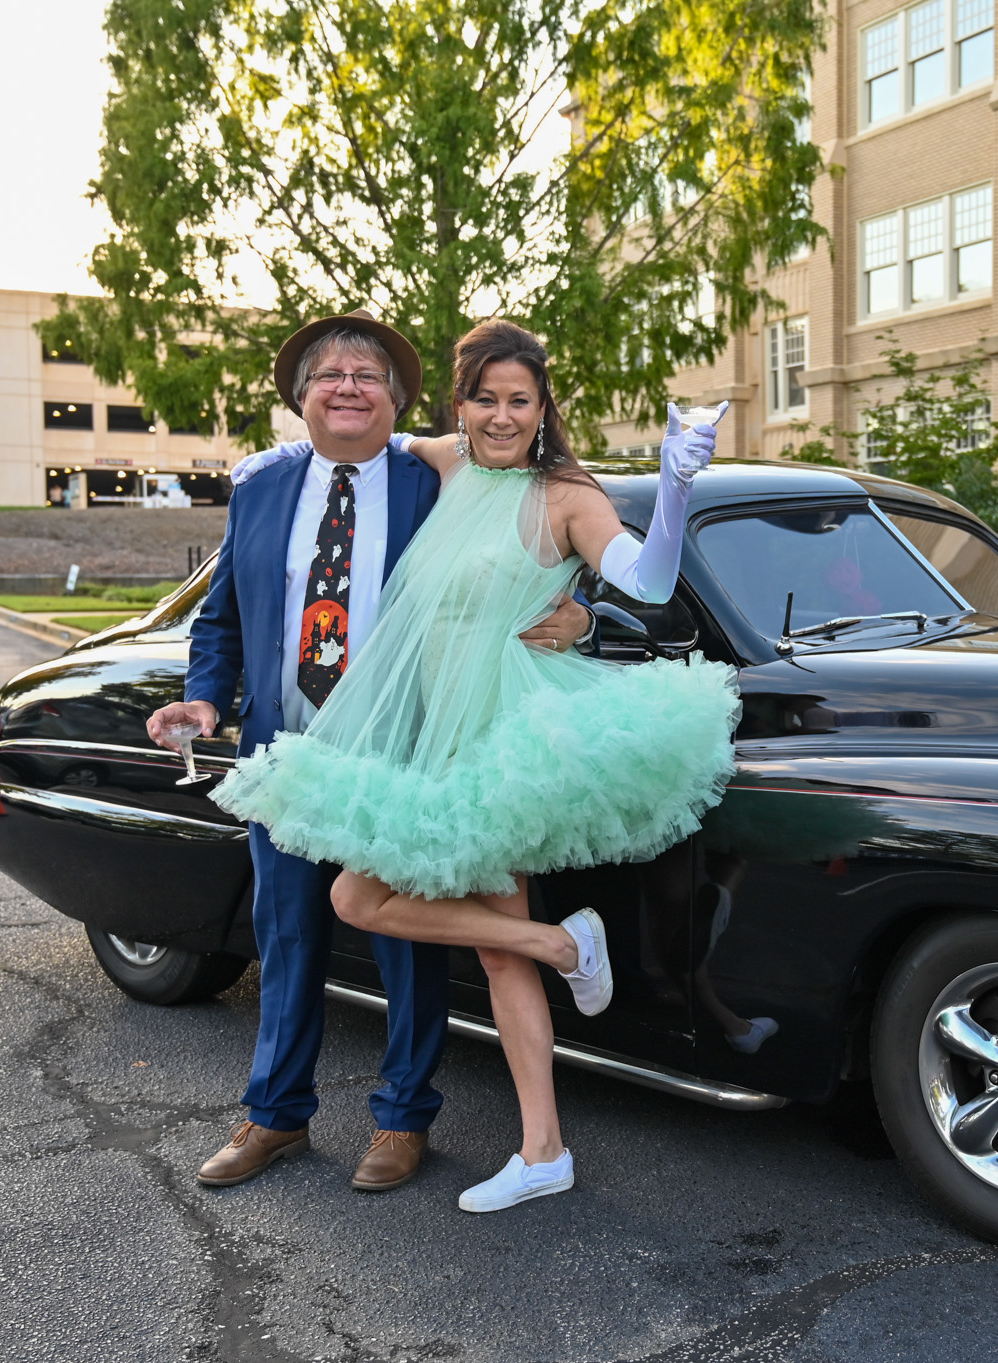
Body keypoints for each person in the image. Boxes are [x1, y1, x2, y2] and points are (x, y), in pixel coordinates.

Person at [210, 318, 739, 1214]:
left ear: (543, 409)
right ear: (461, 406)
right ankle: (562, 956)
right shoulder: (447, 464)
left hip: (504, 736)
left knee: (451, 936)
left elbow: (645, 585)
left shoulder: (566, 492)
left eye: (519, 401)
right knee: (411, 917)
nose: (501, 416)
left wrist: (678, 486)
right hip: (422, 732)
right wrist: (265, 462)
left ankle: (542, 1144)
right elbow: (353, 430)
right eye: (485, 399)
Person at [144, 310, 595, 1195]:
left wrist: (584, 617)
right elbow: (223, 617)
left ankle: (402, 1118)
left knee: (404, 942)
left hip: (404, 744)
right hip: (290, 748)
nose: (348, 386)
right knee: (288, 932)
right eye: (330, 375)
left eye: (368, 375)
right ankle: (274, 1115)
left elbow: (550, 541)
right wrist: (203, 695)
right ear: (302, 397)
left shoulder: (441, 479)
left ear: (398, 401)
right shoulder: (261, 488)